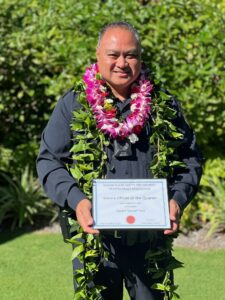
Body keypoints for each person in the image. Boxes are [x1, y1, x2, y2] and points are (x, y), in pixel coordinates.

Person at [36, 21, 203, 300]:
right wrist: (77, 200)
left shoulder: (163, 104)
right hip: (97, 245)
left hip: (150, 245)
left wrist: (176, 200)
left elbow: (191, 158)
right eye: (114, 55)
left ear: (140, 57)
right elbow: (49, 161)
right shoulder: (74, 104)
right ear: (98, 56)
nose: (122, 63)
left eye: (131, 54)